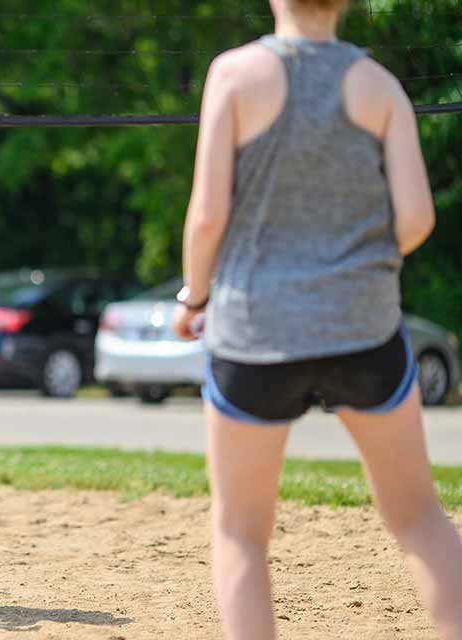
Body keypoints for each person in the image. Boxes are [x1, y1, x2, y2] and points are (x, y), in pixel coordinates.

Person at [172, 1, 462, 638]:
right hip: (364, 330)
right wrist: (355, 267)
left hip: (256, 334)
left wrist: (194, 299)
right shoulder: (380, 86)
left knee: (242, 533)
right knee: (420, 521)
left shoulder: (235, 74)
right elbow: (416, 219)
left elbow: (207, 217)